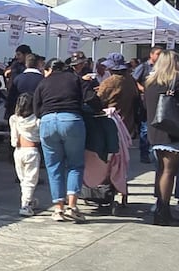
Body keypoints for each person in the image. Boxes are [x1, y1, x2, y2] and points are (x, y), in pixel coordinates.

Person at [33, 58, 100, 223]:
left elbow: (36, 108)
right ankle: (72, 206)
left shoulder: (43, 83)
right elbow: (91, 98)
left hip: (47, 122)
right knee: (75, 164)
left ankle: (58, 208)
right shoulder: (75, 79)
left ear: (50, 69)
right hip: (71, 120)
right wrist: (99, 109)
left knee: (53, 166)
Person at [143, 51, 179, 226]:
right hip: (173, 131)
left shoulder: (150, 82)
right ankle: (163, 211)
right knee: (169, 172)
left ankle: (160, 208)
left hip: (155, 131)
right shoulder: (178, 80)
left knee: (161, 171)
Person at [9, 92, 40, 217]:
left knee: (23, 180)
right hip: (31, 150)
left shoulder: (14, 119)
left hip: (18, 150)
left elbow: (13, 138)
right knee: (30, 180)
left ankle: (29, 199)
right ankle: (25, 204)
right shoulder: (37, 120)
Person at [97, 52, 140, 137]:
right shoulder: (130, 79)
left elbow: (98, 101)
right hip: (128, 123)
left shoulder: (109, 82)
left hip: (113, 121)